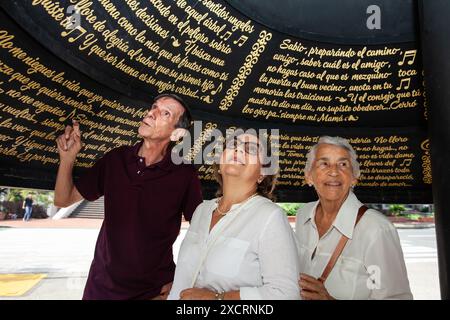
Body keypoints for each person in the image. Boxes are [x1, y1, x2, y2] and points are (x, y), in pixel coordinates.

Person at [54, 93, 203, 300]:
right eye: (153, 107)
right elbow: (63, 199)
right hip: (101, 288)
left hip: (153, 292)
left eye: (165, 113)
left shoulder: (185, 174)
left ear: (177, 134)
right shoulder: (116, 159)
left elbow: (202, 232)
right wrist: (68, 158)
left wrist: (182, 279)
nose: (152, 113)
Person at [168, 130, 299, 300]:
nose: (238, 150)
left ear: (263, 173)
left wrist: (218, 298)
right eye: (232, 145)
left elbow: (286, 294)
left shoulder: (270, 217)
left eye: (251, 149)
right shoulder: (202, 210)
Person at [295, 136, 412, 300]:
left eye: (343, 164)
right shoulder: (303, 215)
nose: (334, 171)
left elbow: (394, 298)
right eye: (324, 163)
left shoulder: (375, 229)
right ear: (309, 176)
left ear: (354, 177)